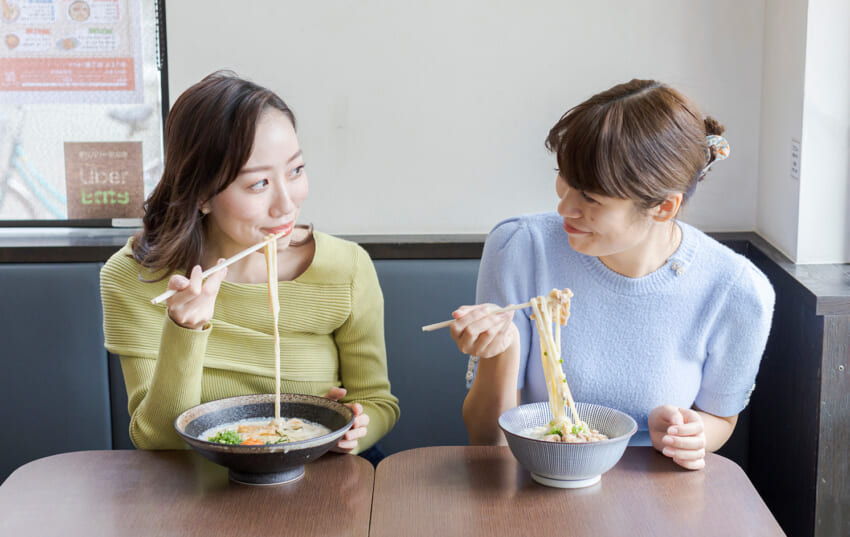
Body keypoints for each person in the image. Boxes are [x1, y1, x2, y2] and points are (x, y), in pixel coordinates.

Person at [449, 79, 774, 470]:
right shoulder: (520, 247)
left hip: (653, 491)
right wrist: (502, 350)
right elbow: (487, 440)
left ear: (664, 207)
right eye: (565, 178)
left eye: (590, 196)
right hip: (535, 483)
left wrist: (687, 432)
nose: (564, 207)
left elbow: (720, 419)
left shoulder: (736, 289)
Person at [100, 71, 399, 462]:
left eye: (295, 170)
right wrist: (185, 330)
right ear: (202, 193)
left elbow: (377, 402)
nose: (287, 203)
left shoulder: (346, 269)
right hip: (197, 484)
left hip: (326, 472)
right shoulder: (137, 277)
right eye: (258, 184)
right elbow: (156, 437)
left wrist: (353, 427)